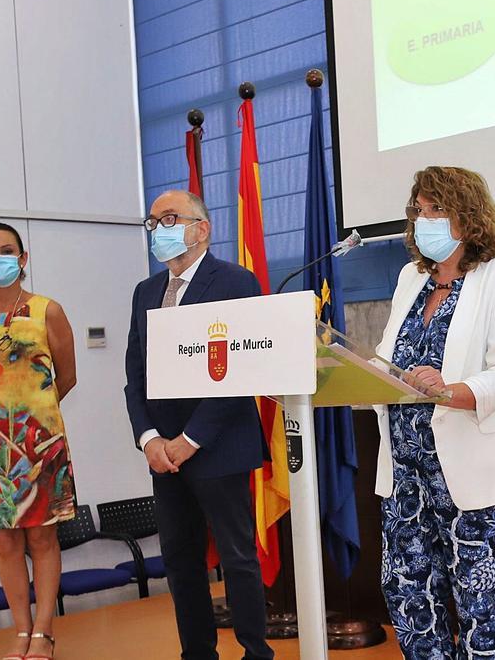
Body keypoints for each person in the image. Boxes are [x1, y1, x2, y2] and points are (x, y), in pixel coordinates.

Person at [371, 166, 495, 658]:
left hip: (467, 472)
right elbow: (386, 356)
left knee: (479, 606)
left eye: (438, 210)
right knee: (409, 598)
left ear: (470, 216)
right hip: (405, 477)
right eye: (420, 211)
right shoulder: (409, 278)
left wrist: (451, 389)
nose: (426, 221)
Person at [123, 190, 273, 660]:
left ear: (202, 229)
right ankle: (198, 654)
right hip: (164, 455)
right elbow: (135, 376)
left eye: (169, 219)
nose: (159, 230)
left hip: (218, 447)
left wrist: (191, 439)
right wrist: (149, 439)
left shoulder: (234, 281)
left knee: (237, 559)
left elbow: (240, 371)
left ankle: (255, 652)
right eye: (153, 223)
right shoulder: (146, 291)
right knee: (181, 562)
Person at [0, 222, 77, 660]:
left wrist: (33, 416)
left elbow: (67, 376)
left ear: (23, 259)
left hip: (39, 442)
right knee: (5, 542)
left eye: (7, 250)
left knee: (42, 540)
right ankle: (21, 631)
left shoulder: (49, 310)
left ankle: (44, 632)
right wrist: (1, 422)